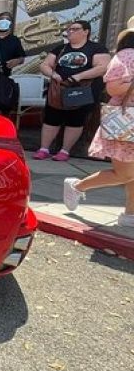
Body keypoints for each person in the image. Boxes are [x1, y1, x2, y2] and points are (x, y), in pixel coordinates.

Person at [63, 28, 134, 227]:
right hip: (127, 121)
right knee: (125, 173)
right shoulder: (127, 55)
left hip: (127, 122)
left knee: (131, 172)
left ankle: (130, 214)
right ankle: (77, 186)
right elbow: (112, 87)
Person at [34, 20, 110, 161]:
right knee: (51, 118)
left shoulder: (96, 48)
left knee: (75, 119)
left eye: (74, 29)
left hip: (82, 89)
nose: (70, 32)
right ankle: (44, 149)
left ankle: (65, 151)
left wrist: (79, 76)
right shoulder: (61, 49)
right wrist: (53, 74)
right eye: (69, 29)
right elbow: (45, 64)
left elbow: (103, 67)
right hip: (59, 89)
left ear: (86, 31)